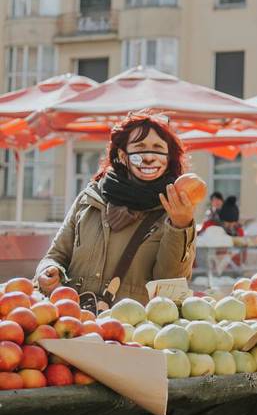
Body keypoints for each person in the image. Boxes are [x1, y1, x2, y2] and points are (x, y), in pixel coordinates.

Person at [36, 112, 197, 307]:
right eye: (139, 147)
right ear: (122, 155)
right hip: (75, 322)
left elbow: (170, 288)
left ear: (168, 157)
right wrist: (50, 271)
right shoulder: (90, 198)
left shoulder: (173, 210)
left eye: (157, 148)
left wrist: (180, 227)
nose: (148, 157)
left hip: (134, 329)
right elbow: (56, 256)